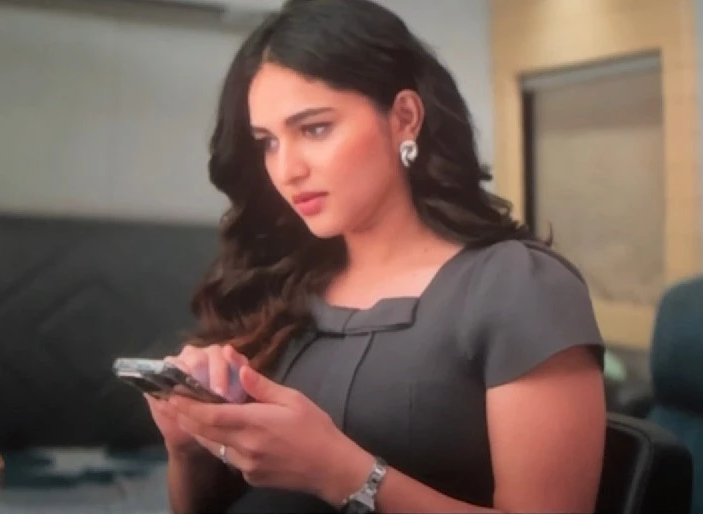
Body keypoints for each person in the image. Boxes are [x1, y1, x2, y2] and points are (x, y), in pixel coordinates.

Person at [146, 0, 606, 512]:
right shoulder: (282, 283)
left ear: (404, 117)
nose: (287, 169)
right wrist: (188, 451)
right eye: (268, 143)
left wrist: (341, 472)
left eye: (314, 128)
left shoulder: (519, 286)